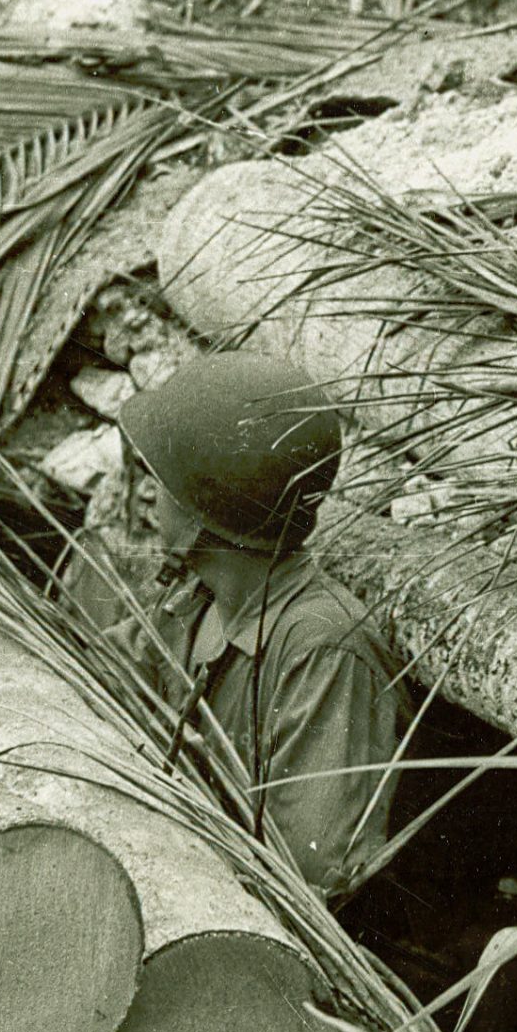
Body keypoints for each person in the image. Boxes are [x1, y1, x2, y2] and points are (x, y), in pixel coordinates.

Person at [62, 352, 402, 900]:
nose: (146, 495)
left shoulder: (323, 654)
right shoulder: (200, 599)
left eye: (164, 482)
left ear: (207, 513)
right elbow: (97, 679)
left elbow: (312, 878)